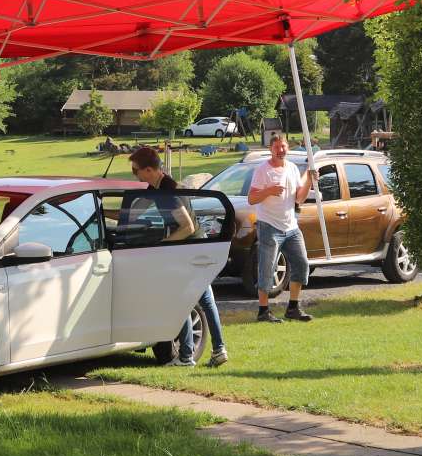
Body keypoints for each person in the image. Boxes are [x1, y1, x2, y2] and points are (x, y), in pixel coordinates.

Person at [128, 146, 229, 368]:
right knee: (205, 299)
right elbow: (132, 214)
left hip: (188, 249)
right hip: (197, 247)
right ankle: (217, 349)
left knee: (180, 299)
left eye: (136, 171)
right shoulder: (160, 186)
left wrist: (164, 244)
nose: (134, 175)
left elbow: (186, 226)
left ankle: (186, 357)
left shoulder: (166, 193)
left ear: (148, 170)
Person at [248, 132, 316, 322]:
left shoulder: (293, 168)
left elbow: (299, 199)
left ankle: (293, 308)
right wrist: (269, 190)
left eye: (284, 146)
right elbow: (252, 198)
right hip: (269, 226)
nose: (281, 150)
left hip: (291, 227)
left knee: (302, 265)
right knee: (267, 269)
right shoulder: (263, 170)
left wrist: (309, 179)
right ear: (271, 149)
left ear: (288, 147)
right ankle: (263, 311)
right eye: (277, 147)